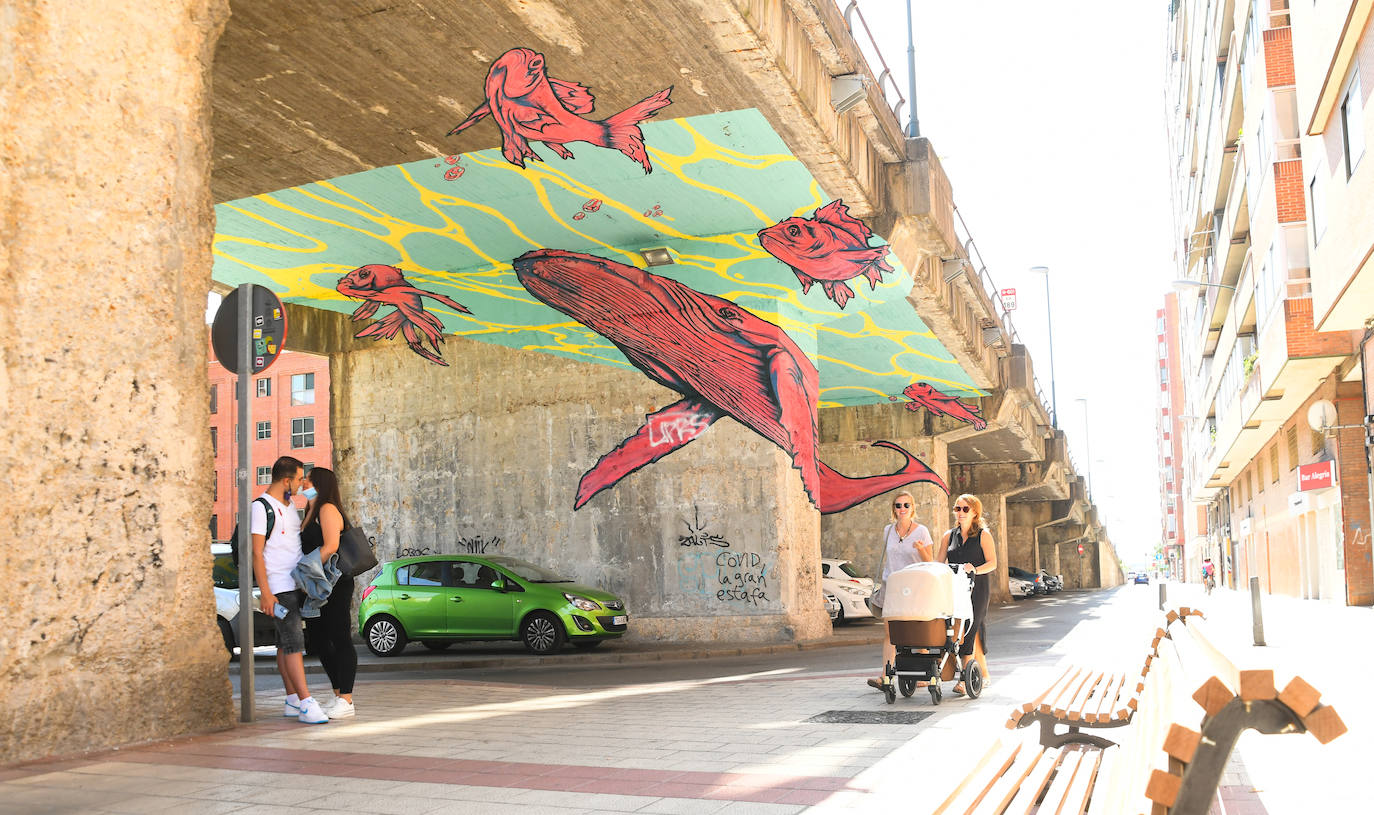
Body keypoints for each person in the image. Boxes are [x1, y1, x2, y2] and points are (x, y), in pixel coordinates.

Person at [251, 455, 328, 724]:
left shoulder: (289, 505)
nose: (300, 484)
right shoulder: (261, 508)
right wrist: (266, 592)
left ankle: (293, 699)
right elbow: (257, 554)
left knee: (285, 644)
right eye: (297, 479)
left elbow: (311, 515)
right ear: (285, 480)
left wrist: (309, 490)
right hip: (278, 588)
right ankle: (307, 702)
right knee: (295, 644)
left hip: (295, 584)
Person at [301, 467, 358, 719]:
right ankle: (338, 695)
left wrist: (304, 569)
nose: (303, 483)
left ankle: (346, 699)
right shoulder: (311, 509)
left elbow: (331, 545)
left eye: (308, 480)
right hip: (318, 583)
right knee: (319, 640)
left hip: (333, 583)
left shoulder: (327, 509)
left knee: (340, 638)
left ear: (319, 484)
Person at [868, 491, 935, 691]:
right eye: (898, 506)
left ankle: (925, 674)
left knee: (917, 631)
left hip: (913, 587)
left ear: (912, 508)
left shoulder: (921, 531)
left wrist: (921, 549)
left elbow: (930, 562)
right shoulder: (888, 530)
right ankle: (885, 676)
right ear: (894, 509)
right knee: (890, 633)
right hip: (891, 586)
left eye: (906, 505)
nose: (902, 509)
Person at [937, 493, 997, 696]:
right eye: (957, 509)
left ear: (974, 512)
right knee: (956, 631)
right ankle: (973, 672)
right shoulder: (949, 535)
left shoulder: (983, 535)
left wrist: (975, 569)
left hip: (977, 589)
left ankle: (964, 679)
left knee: (970, 629)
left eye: (965, 509)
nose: (960, 513)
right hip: (954, 590)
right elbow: (938, 564)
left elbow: (992, 563)